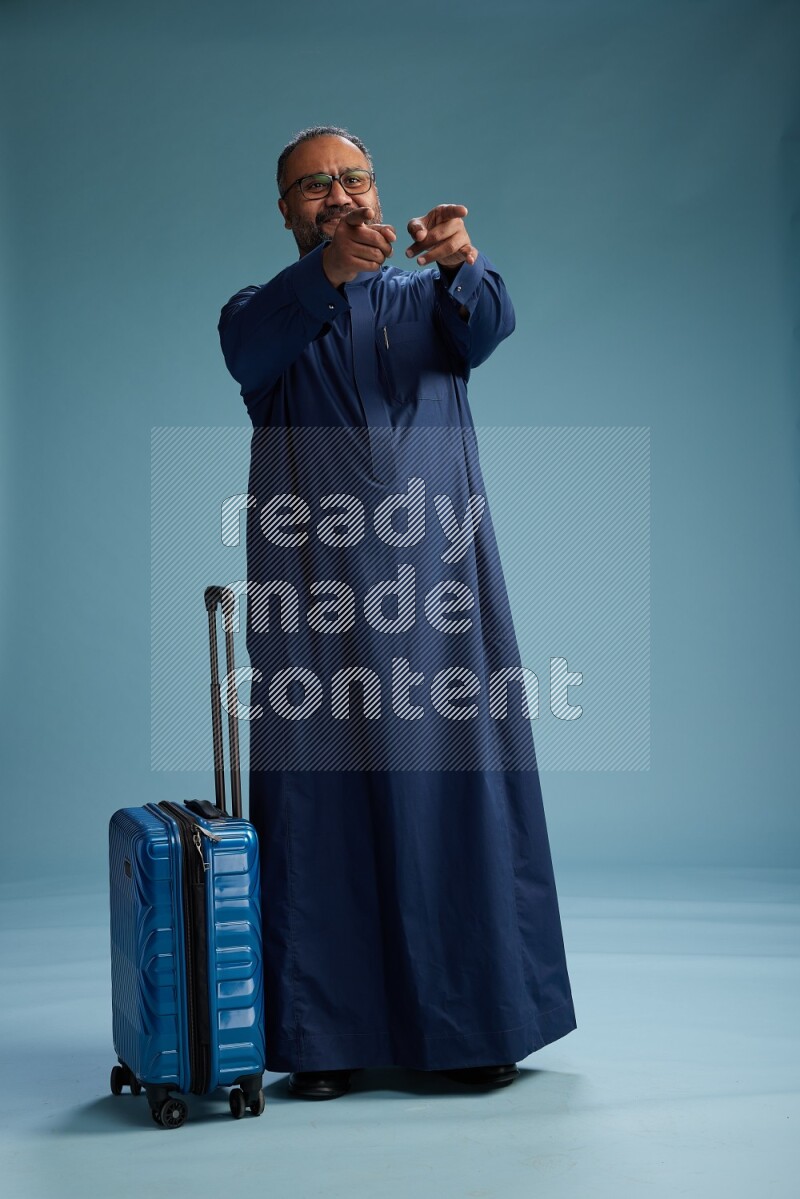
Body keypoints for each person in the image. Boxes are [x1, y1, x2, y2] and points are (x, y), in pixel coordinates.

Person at [217, 125, 576, 1100]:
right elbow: (246, 354)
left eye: (352, 178)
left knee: (450, 798)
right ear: (285, 210)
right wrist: (327, 274)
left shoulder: (429, 303)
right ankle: (323, 1036)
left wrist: (463, 258)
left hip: (438, 596)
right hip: (315, 596)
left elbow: (487, 323)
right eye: (310, 186)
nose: (334, 194)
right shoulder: (261, 316)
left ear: (379, 192)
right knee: (318, 802)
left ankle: (473, 1025)